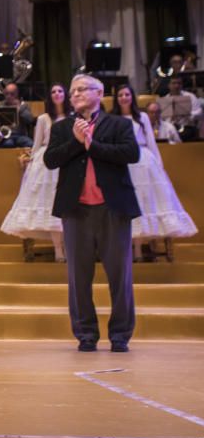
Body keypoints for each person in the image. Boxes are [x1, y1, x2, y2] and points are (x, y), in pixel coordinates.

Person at [44, 75, 140, 353]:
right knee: (78, 276)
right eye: (73, 91)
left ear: (99, 93)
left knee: (120, 275)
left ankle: (120, 334)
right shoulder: (62, 128)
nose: (75, 94)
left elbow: (131, 154)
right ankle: (86, 334)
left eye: (82, 89)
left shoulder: (119, 124)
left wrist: (92, 145)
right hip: (76, 210)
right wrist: (76, 141)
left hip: (113, 209)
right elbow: (50, 160)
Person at [111, 85, 197, 261]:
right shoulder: (113, 118)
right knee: (126, 206)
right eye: (120, 95)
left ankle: (138, 249)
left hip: (142, 161)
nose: (124, 97)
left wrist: (159, 166)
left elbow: (151, 141)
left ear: (132, 97)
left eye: (127, 94)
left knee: (143, 203)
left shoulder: (141, 117)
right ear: (116, 98)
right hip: (122, 161)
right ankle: (126, 249)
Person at [1, 84, 71, 261]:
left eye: (60, 91)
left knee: (69, 209)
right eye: (53, 91)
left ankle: (71, 248)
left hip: (69, 160)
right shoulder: (44, 118)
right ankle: (58, 250)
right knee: (50, 208)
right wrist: (30, 162)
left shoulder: (73, 117)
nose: (56, 94)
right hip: (47, 163)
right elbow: (37, 143)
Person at [0, 83, 35, 148]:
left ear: (17, 94)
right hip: (5, 137)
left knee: (30, 143)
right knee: (8, 144)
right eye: (6, 93)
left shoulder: (23, 106)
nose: (9, 96)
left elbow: (30, 120)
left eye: (12, 94)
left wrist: (19, 109)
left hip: (20, 135)